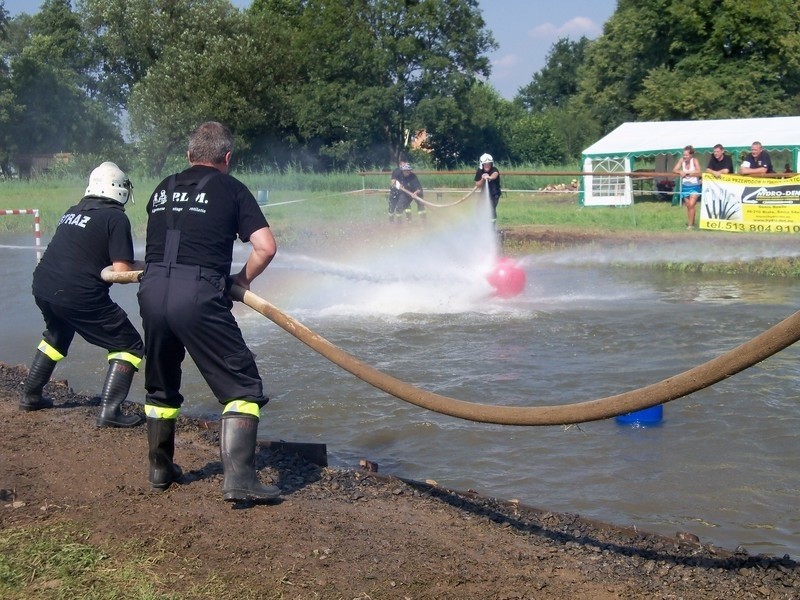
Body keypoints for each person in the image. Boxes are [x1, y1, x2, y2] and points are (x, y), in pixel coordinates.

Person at [137, 121, 280, 502]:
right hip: (198, 293)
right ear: (227, 158)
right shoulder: (232, 189)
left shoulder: (163, 187)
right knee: (243, 385)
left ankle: (160, 470)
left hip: (150, 290)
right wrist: (243, 281)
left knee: (161, 383)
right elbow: (265, 247)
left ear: (188, 156)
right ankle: (240, 480)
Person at [21, 162, 145, 428]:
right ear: (121, 190)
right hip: (78, 294)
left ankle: (31, 395)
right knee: (129, 345)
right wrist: (152, 268)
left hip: (44, 286)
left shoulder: (73, 210)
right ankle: (110, 412)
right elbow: (122, 272)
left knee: (57, 334)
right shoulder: (116, 218)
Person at [672, 145, 702, 229]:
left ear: (691, 155)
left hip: (694, 186)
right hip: (685, 186)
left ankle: (690, 225)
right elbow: (674, 170)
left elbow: (699, 171)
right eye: (683, 155)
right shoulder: (681, 160)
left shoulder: (694, 161)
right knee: (688, 205)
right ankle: (692, 222)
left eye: (686, 155)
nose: (684, 157)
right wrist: (680, 172)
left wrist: (690, 172)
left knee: (692, 204)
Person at [474, 153, 501, 227]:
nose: (487, 165)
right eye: (485, 164)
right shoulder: (479, 171)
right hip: (483, 193)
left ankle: (492, 227)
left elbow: (495, 174)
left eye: (489, 164)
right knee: (479, 208)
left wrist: (490, 177)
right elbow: (478, 185)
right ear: (482, 164)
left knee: (491, 208)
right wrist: (483, 179)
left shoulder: (494, 169)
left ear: (491, 164)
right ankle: (480, 225)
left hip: (494, 193)